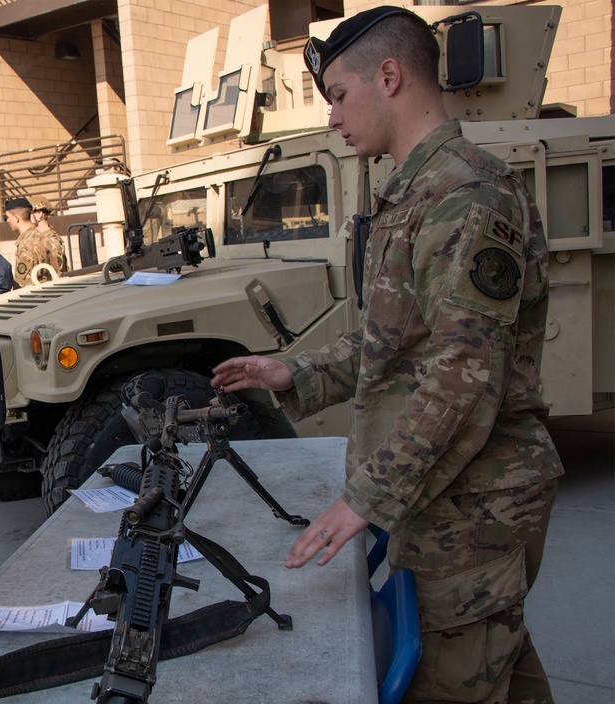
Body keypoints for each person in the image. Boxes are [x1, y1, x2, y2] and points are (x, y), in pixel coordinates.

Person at [212, 7, 563, 703]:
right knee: (500, 670)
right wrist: (298, 371)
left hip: (473, 508)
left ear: (391, 76)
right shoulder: (413, 193)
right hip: (440, 498)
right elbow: (397, 345)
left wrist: (365, 500)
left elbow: (462, 379)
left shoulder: (464, 195)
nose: (334, 118)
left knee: (457, 681)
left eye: (339, 96)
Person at [6, 196, 63, 286]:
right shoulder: (40, 237)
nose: (7, 220)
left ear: (16, 218)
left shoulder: (27, 245)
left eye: (8, 217)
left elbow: (23, 285)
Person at [30, 195, 68, 273]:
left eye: (30, 212)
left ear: (40, 214)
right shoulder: (35, 237)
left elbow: (57, 270)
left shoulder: (52, 240)